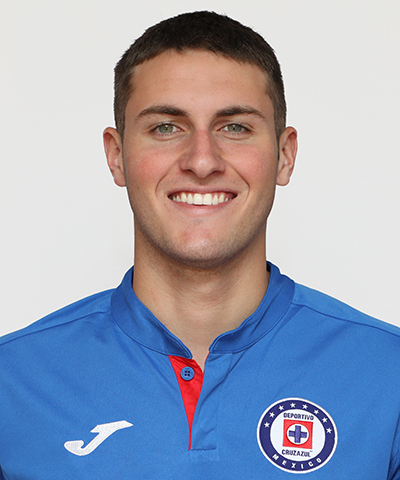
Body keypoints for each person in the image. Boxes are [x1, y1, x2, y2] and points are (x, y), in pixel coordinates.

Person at [0, 11, 399, 479]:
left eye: (235, 127)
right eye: (166, 127)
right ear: (117, 156)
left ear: (284, 156)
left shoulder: (387, 374)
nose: (202, 161)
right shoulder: (13, 382)